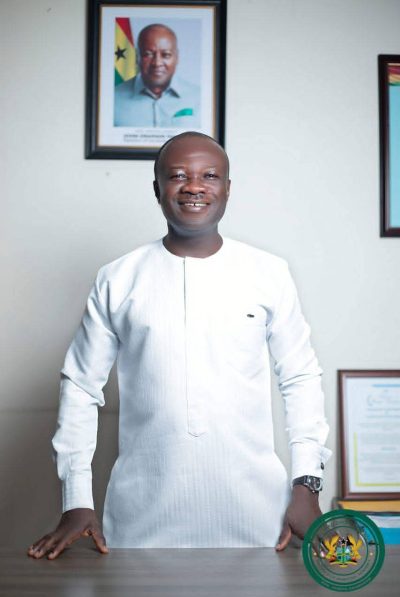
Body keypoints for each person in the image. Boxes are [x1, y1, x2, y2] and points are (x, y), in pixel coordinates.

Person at [28, 132, 331, 560]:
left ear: (228, 188)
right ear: (157, 189)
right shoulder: (118, 278)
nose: (194, 186)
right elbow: (80, 386)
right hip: (140, 521)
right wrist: (76, 499)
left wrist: (307, 485)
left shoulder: (269, 273)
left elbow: (300, 379)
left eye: (210, 176)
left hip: (258, 518)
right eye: (178, 176)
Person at [114, 24, 201, 128]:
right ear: (137, 57)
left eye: (166, 55)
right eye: (148, 54)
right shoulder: (114, 99)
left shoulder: (199, 97)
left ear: (177, 57)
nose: (157, 63)